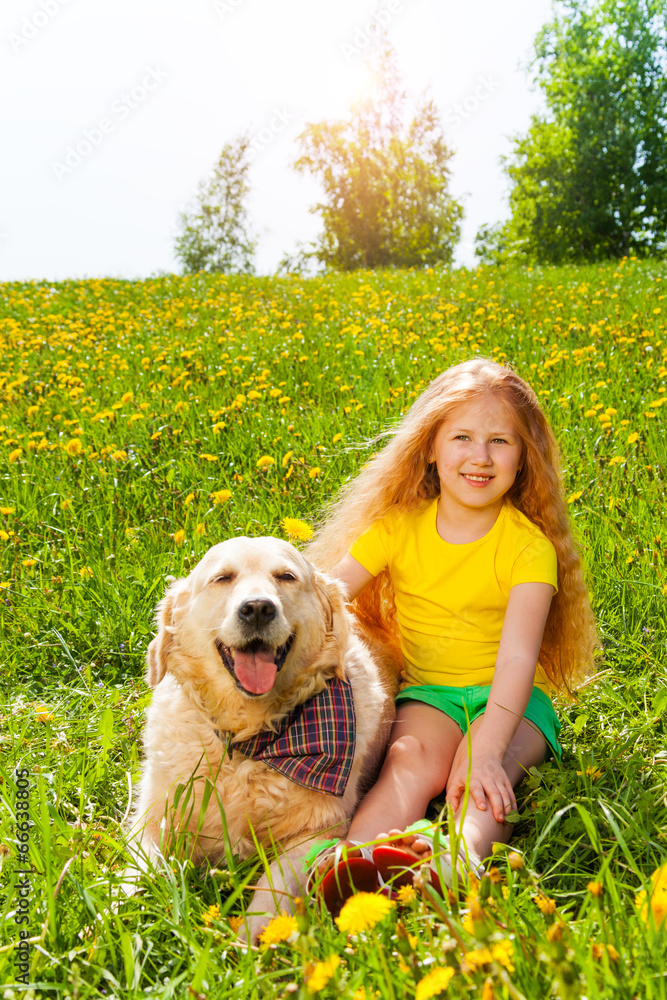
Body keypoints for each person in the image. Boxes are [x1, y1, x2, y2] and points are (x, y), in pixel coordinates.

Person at [304, 357, 596, 909]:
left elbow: (515, 661)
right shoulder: (396, 529)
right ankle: (356, 859)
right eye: (461, 437)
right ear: (430, 448)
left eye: (500, 441)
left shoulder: (528, 549)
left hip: (511, 703)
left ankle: (455, 864)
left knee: (481, 769)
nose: (480, 457)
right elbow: (327, 596)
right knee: (408, 758)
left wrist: (485, 748)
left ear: (524, 459)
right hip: (431, 695)